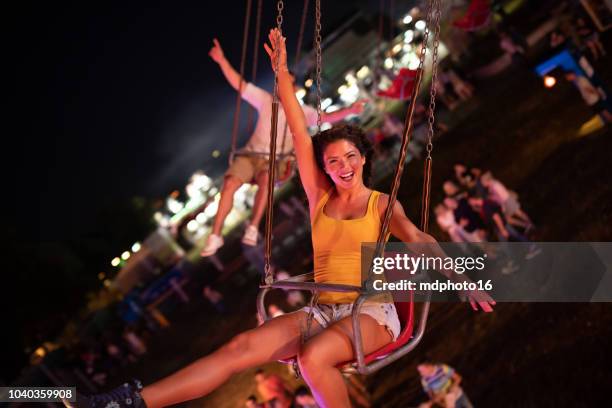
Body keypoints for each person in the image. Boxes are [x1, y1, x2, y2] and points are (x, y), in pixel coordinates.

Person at [72, 29, 493, 408]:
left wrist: (461, 279)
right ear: (323, 168)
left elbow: (420, 240)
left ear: (363, 159)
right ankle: (130, 402)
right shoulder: (318, 197)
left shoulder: (381, 205)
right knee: (240, 347)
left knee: (313, 358)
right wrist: (282, 75)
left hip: (372, 315)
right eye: (332, 161)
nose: (342, 166)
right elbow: (294, 122)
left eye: (350, 157)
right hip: (324, 312)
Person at [201, 38, 366, 256]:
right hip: (251, 155)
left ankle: (253, 227)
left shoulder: (303, 112)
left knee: (266, 181)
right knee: (230, 183)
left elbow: (326, 117)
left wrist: (350, 111)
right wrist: (222, 60)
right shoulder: (265, 100)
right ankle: (215, 235)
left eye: (285, 79)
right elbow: (239, 83)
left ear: (292, 87)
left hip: (275, 162)